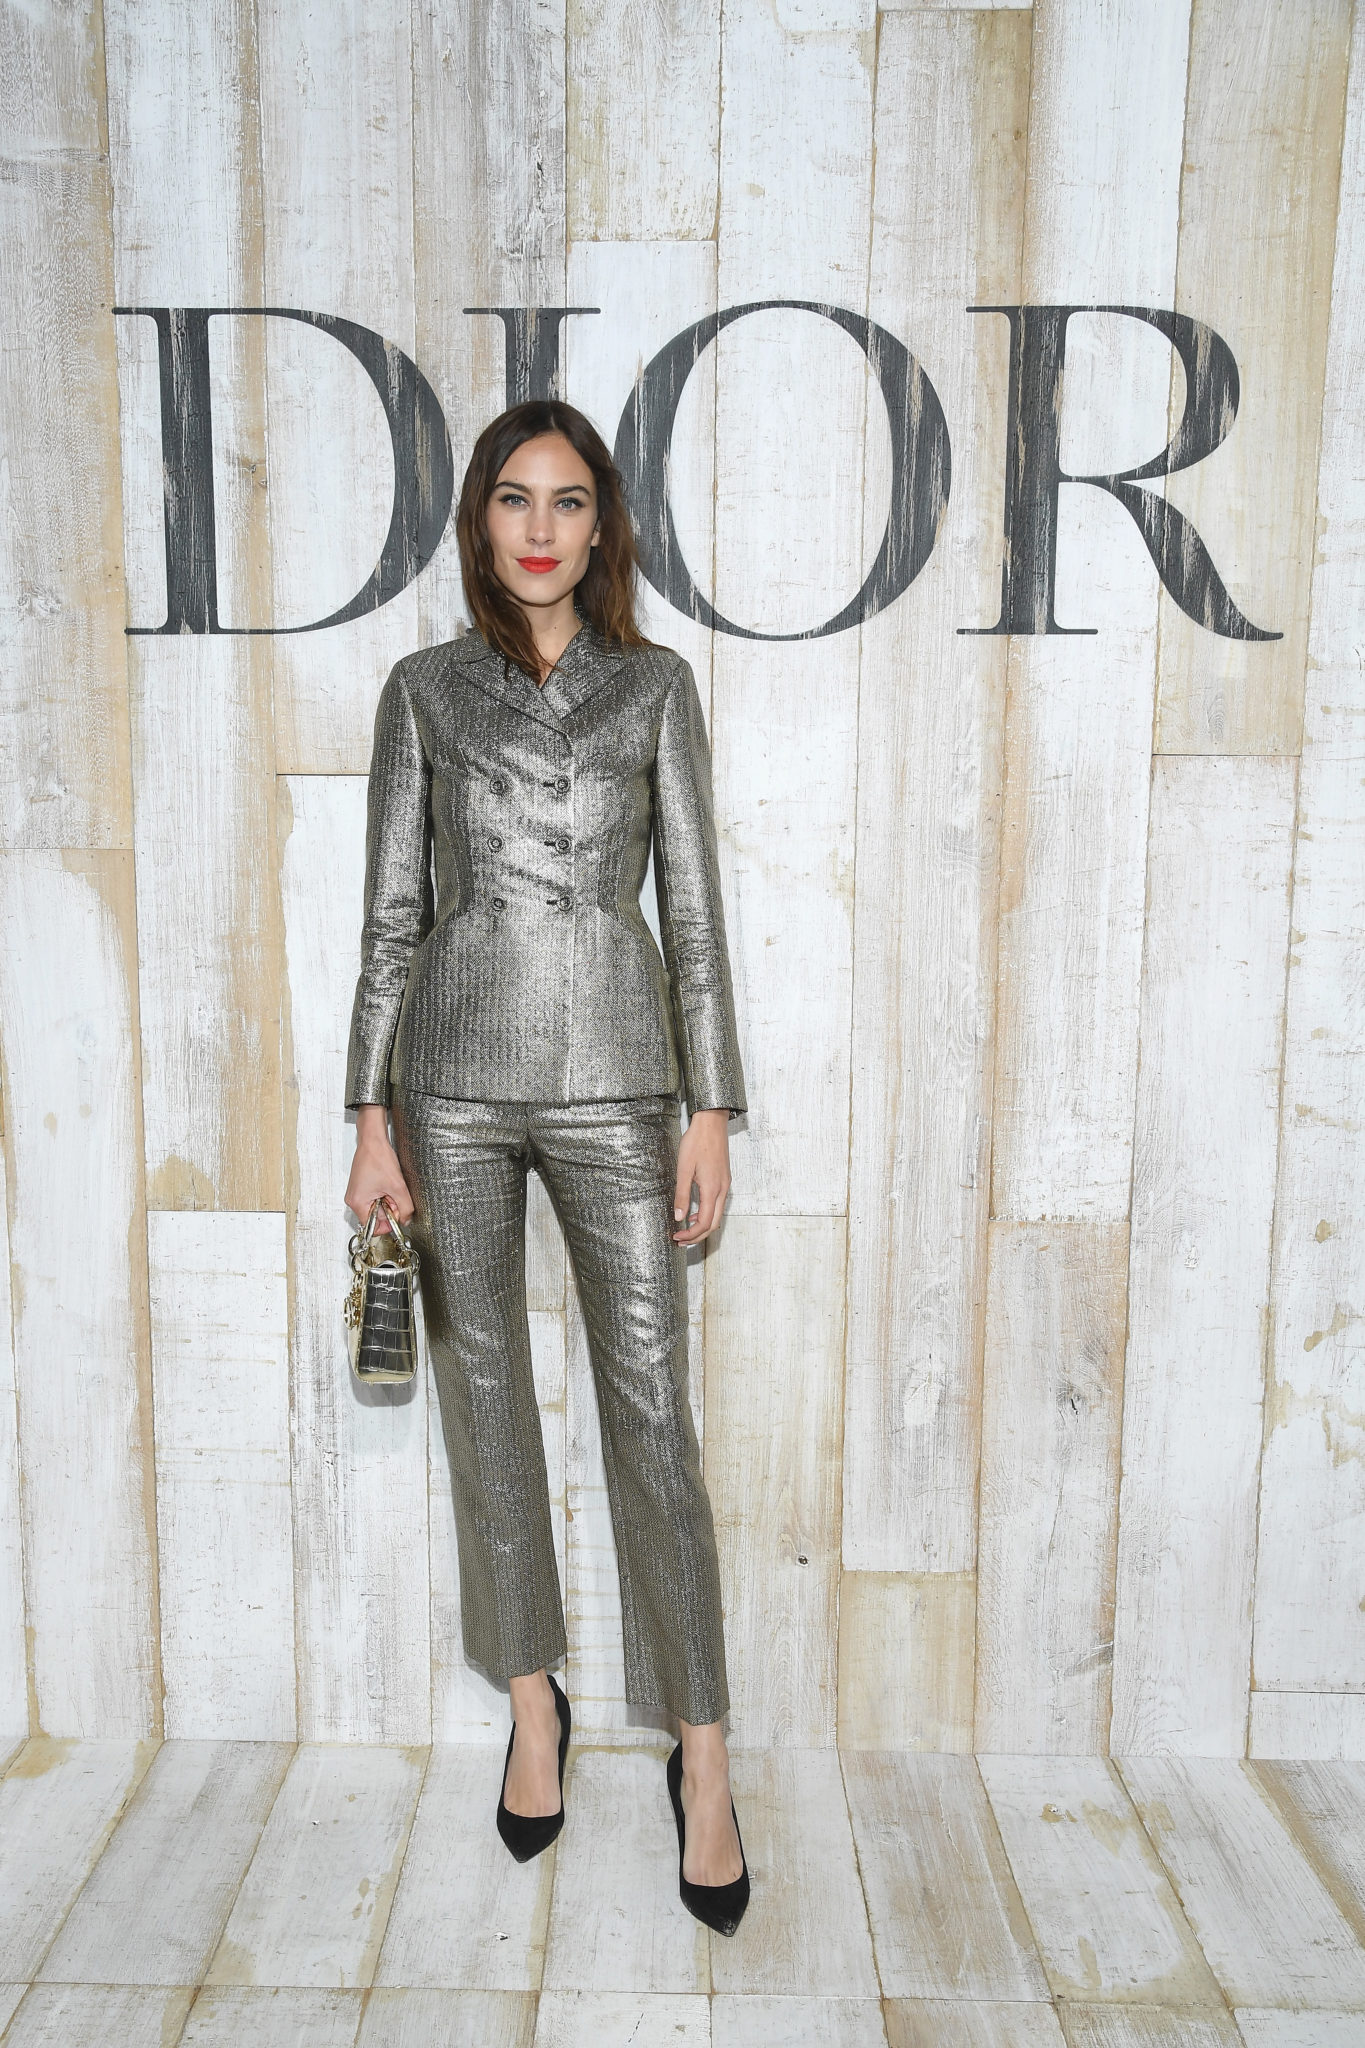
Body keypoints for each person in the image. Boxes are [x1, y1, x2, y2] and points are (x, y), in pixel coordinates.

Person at [342, 399, 750, 1934]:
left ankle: (702, 1757)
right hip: (447, 1083)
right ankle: (534, 1705)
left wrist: (708, 1108)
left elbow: (691, 910)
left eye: (566, 501)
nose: (538, 528)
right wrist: (369, 1116)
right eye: (513, 499)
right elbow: (392, 914)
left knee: (650, 1412)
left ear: (600, 527)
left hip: (620, 1080)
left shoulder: (653, 687)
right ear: (480, 521)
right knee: (483, 1406)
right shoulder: (422, 690)